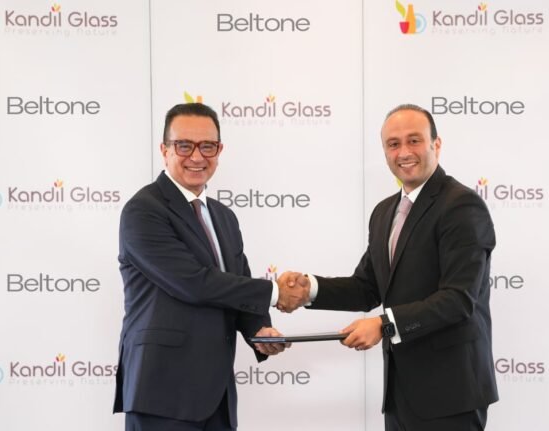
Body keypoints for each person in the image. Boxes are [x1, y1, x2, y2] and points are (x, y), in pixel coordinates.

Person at [285, 104, 499, 430]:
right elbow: (367, 287)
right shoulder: (384, 212)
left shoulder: (461, 205)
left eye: (414, 140)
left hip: (451, 395)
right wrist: (309, 289)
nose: (404, 152)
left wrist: (384, 325)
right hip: (400, 394)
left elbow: (458, 299)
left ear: (436, 144)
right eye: (393, 144)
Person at [113, 102, 309, 431]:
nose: (197, 156)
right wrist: (275, 292)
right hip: (162, 393)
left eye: (207, 146)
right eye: (184, 145)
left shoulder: (224, 216)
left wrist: (259, 330)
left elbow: (236, 282)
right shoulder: (143, 210)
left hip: (216, 394)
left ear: (219, 150)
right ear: (164, 150)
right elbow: (193, 283)